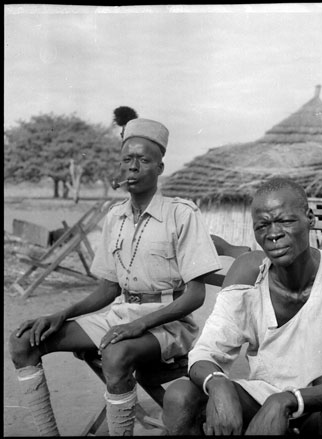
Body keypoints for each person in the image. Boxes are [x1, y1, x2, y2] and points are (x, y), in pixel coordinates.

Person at [8, 118, 222, 436]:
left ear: (160, 168)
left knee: (116, 354)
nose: (132, 167)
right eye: (126, 159)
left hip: (169, 324)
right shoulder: (115, 215)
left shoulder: (181, 214)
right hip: (120, 315)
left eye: (143, 160)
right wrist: (60, 314)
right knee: (23, 341)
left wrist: (138, 325)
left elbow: (195, 296)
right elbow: (109, 288)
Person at [162, 176, 322, 435]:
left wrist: (285, 399)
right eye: (262, 225)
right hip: (262, 397)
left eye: (285, 221)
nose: (273, 234)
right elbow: (203, 353)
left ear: (310, 218)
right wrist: (217, 383)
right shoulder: (249, 275)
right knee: (181, 395)